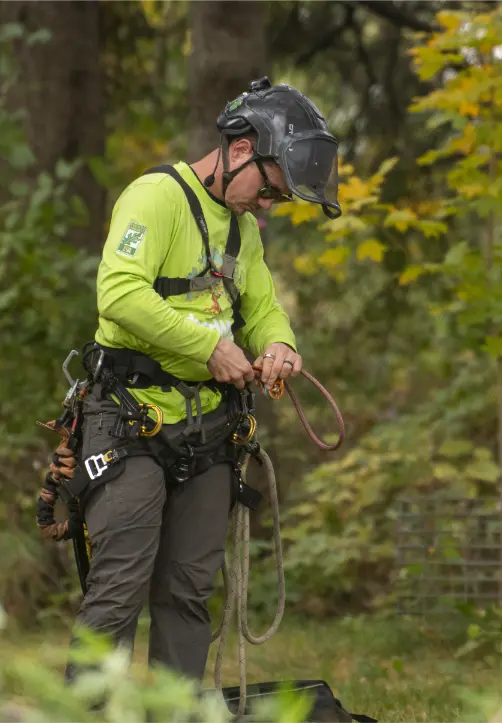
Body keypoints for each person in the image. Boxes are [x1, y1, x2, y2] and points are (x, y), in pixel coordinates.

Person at [56, 76, 342, 687]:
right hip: (130, 419)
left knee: (188, 593)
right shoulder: (155, 198)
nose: (268, 205)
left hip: (210, 432)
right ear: (241, 150)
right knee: (117, 592)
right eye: (269, 189)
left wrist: (281, 346)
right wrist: (209, 347)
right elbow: (120, 294)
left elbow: (262, 308)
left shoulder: (242, 228)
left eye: (280, 199)